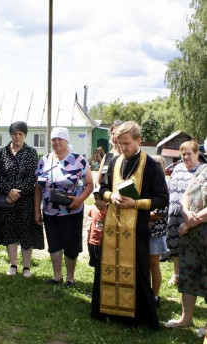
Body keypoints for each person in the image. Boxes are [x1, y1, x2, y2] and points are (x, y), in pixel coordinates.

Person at [92, 121, 168, 330]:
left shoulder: (151, 166)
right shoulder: (114, 161)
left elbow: (162, 198)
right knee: (107, 267)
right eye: (119, 143)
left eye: (126, 143)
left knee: (137, 271)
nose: (122, 148)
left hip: (137, 229)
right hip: (112, 227)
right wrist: (110, 196)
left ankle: (135, 318)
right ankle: (107, 311)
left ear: (138, 140)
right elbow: (103, 188)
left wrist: (136, 203)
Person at [34, 127, 93, 286]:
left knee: (71, 245)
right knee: (54, 244)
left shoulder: (78, 160)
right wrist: (36, 210)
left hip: (72, 209)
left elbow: (89, 184)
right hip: (50, 211)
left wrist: (80, 200)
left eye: (60, 139)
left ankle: (70, 278)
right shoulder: (44, 160)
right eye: (54, 139)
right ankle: (57, 277)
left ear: (67, 140)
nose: (57, 142)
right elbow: (38, 187)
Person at [0, 121, 43, 278]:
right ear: (11, 135)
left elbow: (33, 177)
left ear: (25, 135)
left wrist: (17, 192)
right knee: (9, 232)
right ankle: (13, 264)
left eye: (21, 133)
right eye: (15, 133)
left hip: (25, 200)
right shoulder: (1, 153)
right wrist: (9, 191)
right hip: (7, 201)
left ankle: (26, 267)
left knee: (26, 233)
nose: (17, 136)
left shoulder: (31, 153)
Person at [164, 150, 207, 335]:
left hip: (200, 230)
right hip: (191, 235)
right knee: (188, 273)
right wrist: (186, 214)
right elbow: (187, 194)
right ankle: (185, 318)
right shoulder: (202, 170)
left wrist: (192, 220)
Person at [166, 141, 203, 286]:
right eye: (183, 154)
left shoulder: (202, 171)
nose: (186, 157)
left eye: (189, 154)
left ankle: (194, 279)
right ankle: (176, 275)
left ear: (197, 154)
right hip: (174, 214)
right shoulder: (178, 168)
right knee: (175, 246)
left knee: (193, 248)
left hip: (193, 217)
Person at [148, 155, 169, 307]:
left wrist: (143, 215)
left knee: (154, 265)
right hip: (144, 230)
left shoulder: (162, 187)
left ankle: (155, 296)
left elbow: (161, 211)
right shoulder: (148, 184)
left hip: (155, 232)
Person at [96, 120, 123, 186]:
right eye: (113, 134)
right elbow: (97, 182)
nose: (114, 137)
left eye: (117, 134)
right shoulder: (107, 156)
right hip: (106, 195)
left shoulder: (128, 157)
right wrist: (99, 189)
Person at [87, 187, 107, 269]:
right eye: (95, 199)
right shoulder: (93, 209)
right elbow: (92, 224)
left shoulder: (108, 211)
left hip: (103, 243)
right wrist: (88, 239)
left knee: (102, 265)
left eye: (101, 199)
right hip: (92, 242)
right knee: (95, 264)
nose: (97, 202)